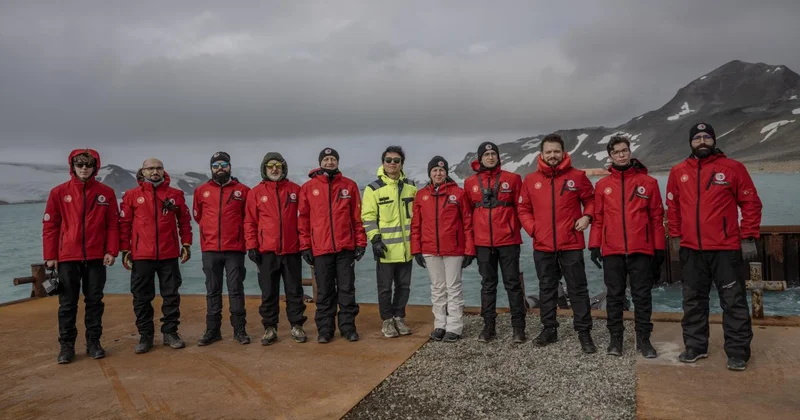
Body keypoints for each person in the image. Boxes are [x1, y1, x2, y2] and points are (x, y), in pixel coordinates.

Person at [666, 122, 762, 371]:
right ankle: (696, 347)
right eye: (696, 137)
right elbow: (673, 207)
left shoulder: (732, 168)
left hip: (725, 248)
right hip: (691, 250)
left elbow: (750, 203)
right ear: (690, 142)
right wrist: (675, 236)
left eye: (706, 137)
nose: (701, 141)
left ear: (714, 140)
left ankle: (738, 352)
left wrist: (748, 236)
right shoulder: (678, 172)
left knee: (733, 301)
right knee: (693, 301)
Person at [518, 134, 597, 353]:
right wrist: (533, 229)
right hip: (542, 244)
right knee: (547, 289)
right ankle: (549, 329)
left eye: (556, 151)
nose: (552, 155)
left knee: (578, 289)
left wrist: (587, 217)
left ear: (563, 152)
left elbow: (590, 200)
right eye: (548, 151)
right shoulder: (530, 180)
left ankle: (584, 332)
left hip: (571, 242)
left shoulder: (577, 177)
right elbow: (523, 209)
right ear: (541, 154)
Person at [588, 136, 664, 358]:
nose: (621, 155)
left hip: (641, 249)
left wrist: (658, 249)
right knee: (615, 295)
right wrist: (594, 245)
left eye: (624, 150)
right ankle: (615, 339)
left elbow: (657, 218)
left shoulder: (648, 183)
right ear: (610, 156)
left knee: (642, 295)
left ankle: (644, 339)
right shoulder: (602, 186)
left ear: (630, 152)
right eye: (616, 152)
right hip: (612, 250)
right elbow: (598, 219)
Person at [42, 149, 119, 364]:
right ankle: (66, 346)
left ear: (95, 166)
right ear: (72, 166)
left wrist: (111, 251)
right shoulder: (58, 192)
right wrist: (50, 255)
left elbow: (113, 225)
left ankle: (94, 343)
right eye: (79, 164)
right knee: (67, 304)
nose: (84, 168)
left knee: (95, 301)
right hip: (67, 257)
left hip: (96, 257)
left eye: (88, 164)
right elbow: (50, 226)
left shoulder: (106, 193)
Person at [120, 158, 193, 354]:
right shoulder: (131, 195)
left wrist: (186, 244)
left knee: (171, 295)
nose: (155, 171)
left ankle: (170, 332)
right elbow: (124, 225)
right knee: (141, 297)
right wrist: (125, 249)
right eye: (150, 168)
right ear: (142, 172)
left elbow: (184, 221)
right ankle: (146, 335)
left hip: (168, 254)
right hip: (141, 255)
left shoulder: (175, 195)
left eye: (158, 168)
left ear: (163, 171)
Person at [298, 148, 367, 343]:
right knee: (325, 291)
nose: (330, 162)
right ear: (320, 162)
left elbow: (357, 218)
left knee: (346, 290)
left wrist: (360, 243)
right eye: (326, 159)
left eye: (333, 159)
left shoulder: (349, 186)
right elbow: (303, 220)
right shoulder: (309, 188)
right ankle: (325, 329)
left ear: (337, 162)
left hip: (345, 247)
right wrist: (305, 246)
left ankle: (347, 327)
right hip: (321, 249)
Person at [463, 142, 526, 343]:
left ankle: (519, 328)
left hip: (508, 241)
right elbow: (467, 215)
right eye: (486, 154)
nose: (490, 157)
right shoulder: (470, 183)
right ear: (479, 158)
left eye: (493, 154)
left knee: (513, 284)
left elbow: (522, 209)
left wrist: (512, 229)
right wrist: (470, 246)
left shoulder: (513, 179)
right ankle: (489, 327)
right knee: (488, 285)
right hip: (482, 243)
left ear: (498, 157)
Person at [244, 152, 308, 345]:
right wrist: (252, 246)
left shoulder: (296, 190)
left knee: (294, 291)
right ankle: (270, 328)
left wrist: (305, 245)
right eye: (270, 166)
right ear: (264, 169)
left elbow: (303, 220)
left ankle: (297, 325)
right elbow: (250, 222)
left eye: (278, 166)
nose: (274, 169)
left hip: (291, 250)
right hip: (266, 252)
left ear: (283, 168)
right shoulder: (255, 193)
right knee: (268, 291)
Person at [411, 156, 475, 342]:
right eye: (434, 171)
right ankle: (439, 324)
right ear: (430, 173)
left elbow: (467, 223)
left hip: (454, 249)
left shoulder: (458, 194)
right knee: (438, 288)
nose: (438, 173)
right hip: (430, 249)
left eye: (441, 170)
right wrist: (416, 249)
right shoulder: (422, 195)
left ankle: (454, 326)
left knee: (453, 288)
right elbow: (416, 225)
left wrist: (469, 250)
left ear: (446, 173)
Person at [192, 151, 251, 346]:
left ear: (230, 166)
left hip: (234, 248)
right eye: (216, 165)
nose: (220, 168)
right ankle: (212, 330)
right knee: (212, 290)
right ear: (211, 168)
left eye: (223, 164)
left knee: (236, 289)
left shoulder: (243, 191)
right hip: (210, 249)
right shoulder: (201, 191)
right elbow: (198, 216)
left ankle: (239, 330)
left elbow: (248, 218)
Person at [361, 146, 417, 338]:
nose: (392, 163)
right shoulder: (373, 189)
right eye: (388, 160)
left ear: (402, 164)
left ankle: (399, 317)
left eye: (396, 160)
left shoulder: (411, 187)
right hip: (385, 249)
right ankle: (387, 320)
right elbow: (368, 216)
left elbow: (418, 216)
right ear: (383, 162)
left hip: (407, 249)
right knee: (385, 288)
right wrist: (375, 239)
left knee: (404, 286)